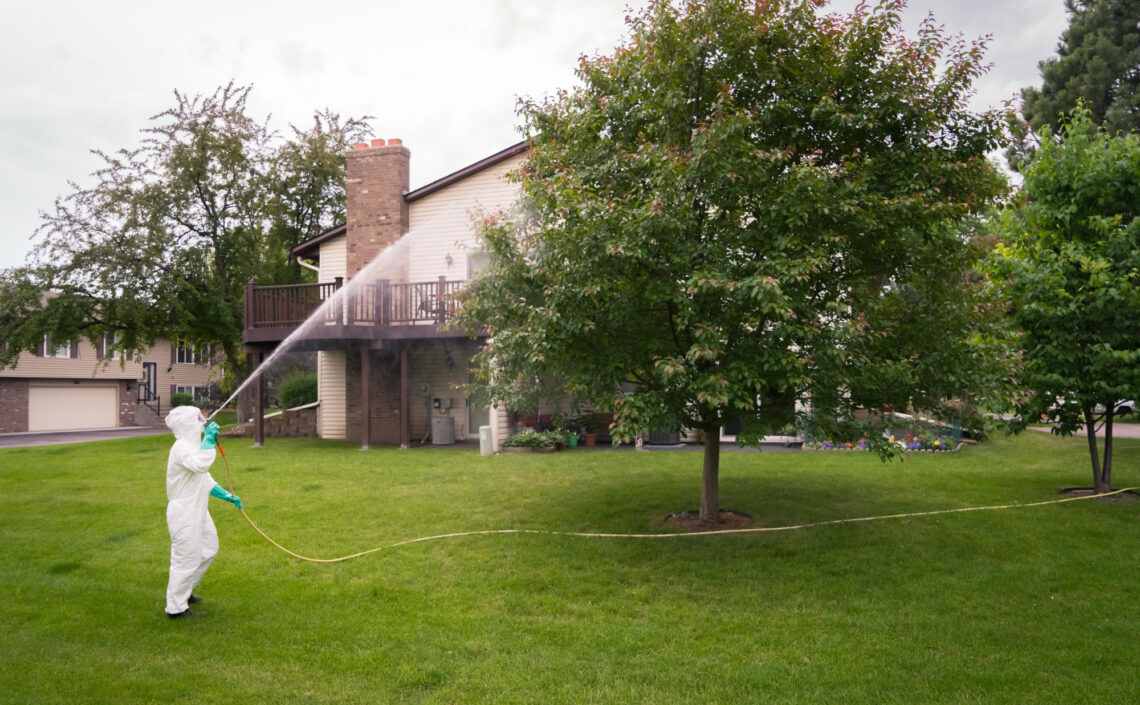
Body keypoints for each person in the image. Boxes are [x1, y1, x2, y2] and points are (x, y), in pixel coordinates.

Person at [164, 406, 242, 619]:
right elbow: (200, 465)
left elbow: (203, 478)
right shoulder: (181, 447)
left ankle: (184, 591)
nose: (203, 420)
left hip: (197, 508)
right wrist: (209, 440)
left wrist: (227, 495)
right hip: (184, 512)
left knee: (209, 547)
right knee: (185, 559)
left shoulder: (193, 445)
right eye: (198, 418)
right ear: (188, 423)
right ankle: (176, 608)